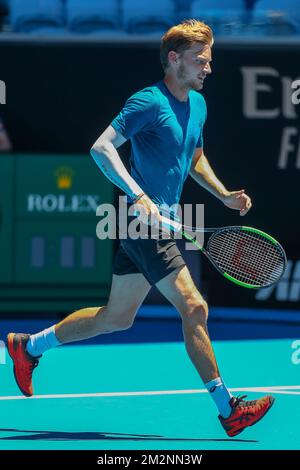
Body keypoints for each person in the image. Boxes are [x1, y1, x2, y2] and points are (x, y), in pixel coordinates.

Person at [7, 19, 274, 437]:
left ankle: (29, 346)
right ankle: (229, 409)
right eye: (200, 60)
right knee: (195, 308)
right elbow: (101, 148)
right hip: (141, 222)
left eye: (210, 60)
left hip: (154, 221)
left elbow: (193, 156)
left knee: (116, 318)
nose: (208, 67)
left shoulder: (198, 105)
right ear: (174, 59)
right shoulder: (147, 101)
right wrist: (138, 196)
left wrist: (221, 195)